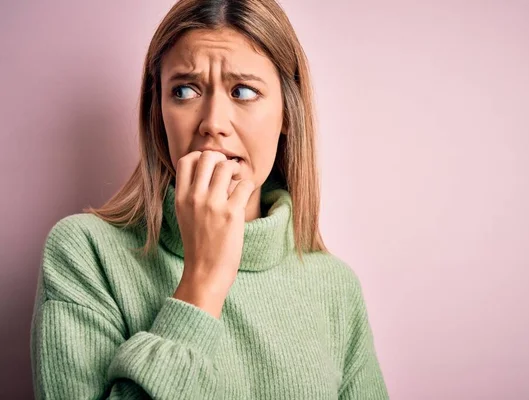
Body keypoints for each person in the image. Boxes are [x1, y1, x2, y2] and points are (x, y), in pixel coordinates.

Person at [29, 0, 390, 399]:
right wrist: (204, 280)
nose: (213, 123)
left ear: (288, 112)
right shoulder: (85, 253)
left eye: (244, 91)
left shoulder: (335, 287)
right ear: (158, 112)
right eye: (184, 90)